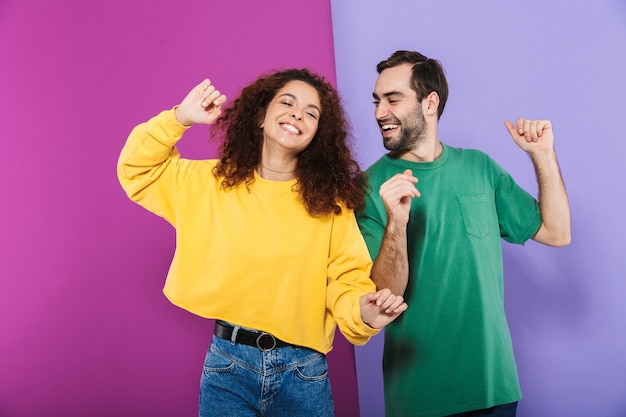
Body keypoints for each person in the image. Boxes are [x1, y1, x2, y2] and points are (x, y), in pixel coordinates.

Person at [117, 68, 408, 417]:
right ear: (260, 116)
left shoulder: (330, 204)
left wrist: (364, 312)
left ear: (317, 134)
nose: (298, 113)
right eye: (287, 102)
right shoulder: (209, 183)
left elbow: (346, 281)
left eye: (311, 113)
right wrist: (180, 117)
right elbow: (137, 169)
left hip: (304, 371)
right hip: (228, 365)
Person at [355, 50, 571, 417]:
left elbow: (556, 232)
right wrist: (396, 223)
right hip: (419, 397)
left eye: (393, 99)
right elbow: (382, 298)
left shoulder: (480, 168)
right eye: (377, 101)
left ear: (430, 102)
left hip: (494, 389)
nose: (379, 112)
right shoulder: (367, 188)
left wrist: (543, 155)